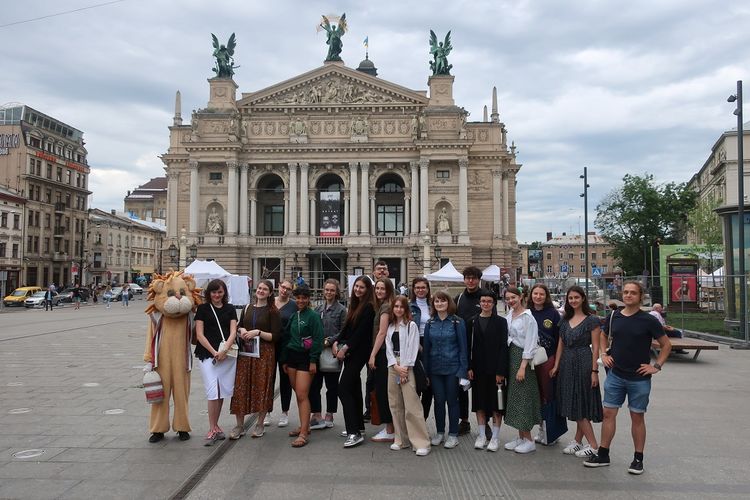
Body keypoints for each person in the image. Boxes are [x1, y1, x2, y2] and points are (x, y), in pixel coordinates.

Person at [585, 281, 671, 474]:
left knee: (637, 416)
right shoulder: (614, 316)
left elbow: (666, 345)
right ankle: (603, 454)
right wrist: (603, 355)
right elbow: (603, 336)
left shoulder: (648, 320)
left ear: (641, 296)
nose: (628, 295)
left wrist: (656, 366)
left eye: (633, 293)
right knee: (608, 414)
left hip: (639, 378)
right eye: (625, 292)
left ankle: (638, 458)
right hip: (615, 374)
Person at [550, 286, 603, 458]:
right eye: (570, 298)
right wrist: (556, 365)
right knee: (575, 400)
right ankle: (578, 441)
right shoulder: (564, 320)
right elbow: (560, 344)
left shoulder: (591, 320)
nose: (573, 300)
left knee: (580, 402)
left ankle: (594, 445)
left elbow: (596, 347)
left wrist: (594, 370)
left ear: (583, 299)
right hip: (567, 362)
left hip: (584, 361)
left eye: (576, 297)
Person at [229, 280, 282, 440]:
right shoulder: (247, 308)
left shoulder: (273, 311)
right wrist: (242, 330)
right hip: (246, 353)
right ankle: (240, 425)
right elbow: (238, 327)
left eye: (265, 289)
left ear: (270, 293)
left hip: (264, 354)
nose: (261, 291)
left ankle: (259, 423)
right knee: (241, 386)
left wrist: (258, 332)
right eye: (259, 288)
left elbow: (276, 336)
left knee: (262, 386)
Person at [386, 295, 431, 456]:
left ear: (406, 309)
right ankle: (401, 439)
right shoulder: (390, 326)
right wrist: (395, 365)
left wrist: (404, 368)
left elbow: (413, 348)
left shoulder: (411, 325)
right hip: (393, 366)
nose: (398, 309)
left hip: (407, 365)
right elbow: (388, 347)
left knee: (412, 405)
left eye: (401, 307)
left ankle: (421, 442)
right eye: (396, 306)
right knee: (396, 405)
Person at [194, 279, 238, 446]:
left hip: (227, 355)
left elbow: (233, 331)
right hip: (208, 355)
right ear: (209, 293)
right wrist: (214, 352)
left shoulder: (230, 308)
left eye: (220, 292)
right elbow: (199, 334)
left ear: (224, 293)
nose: (217, 295)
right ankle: (212, 428)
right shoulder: (203, 309)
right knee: (212, 390)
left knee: (221, 391)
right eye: (213, 292)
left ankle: (216, 426)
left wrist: (224, 350)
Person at [334, 276, 376, 448]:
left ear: (368, 290)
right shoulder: (355, 305)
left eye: (362, 287)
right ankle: (358, 425)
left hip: (359, 352)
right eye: (356, 286)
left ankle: (354, 432)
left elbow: (360, 333)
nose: (358, 289)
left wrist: (345, 348)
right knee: (354, 388)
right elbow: (347, 329)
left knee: (342, 389)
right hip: (352, 352)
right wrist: (335, 341)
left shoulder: (368, 307)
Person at [423, 291, 468, 450]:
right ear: (433, 304)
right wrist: (426, 373)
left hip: (452, 368)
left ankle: (453, 434)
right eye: (436, 301)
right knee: (439, 401)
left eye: (443, 301)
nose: (440, 304)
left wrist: (463, 371)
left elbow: (463, 348)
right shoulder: (430, 323)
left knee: (452, 401)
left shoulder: (457, 322)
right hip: (435, 369)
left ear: (448, 303)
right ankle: (440, 432)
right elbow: (427, 349)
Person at [467, 290, 509, 452]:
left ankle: (496, 437)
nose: (486, 304)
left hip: (495, 369)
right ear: (479, 303)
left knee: (496, 404)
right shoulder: (472, 321)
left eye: (489, 301)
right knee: (480, 403)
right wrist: (469, 367)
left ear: (493, 303)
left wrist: (501, 371)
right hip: (477, 368)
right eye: (483, 301)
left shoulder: (500, 322)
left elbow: (503, 347)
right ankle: (482, 434)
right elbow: (468, 347)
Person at [282, 285, 324, 448]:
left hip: (306, 359)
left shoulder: (313, 316)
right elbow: (287, 337)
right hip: (292, 357)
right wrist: (285, 360)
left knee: (302, 394)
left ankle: (304, 433)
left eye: (304, 298)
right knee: (299, 394)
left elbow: (318, 338)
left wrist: (313, 360)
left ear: (308, 299)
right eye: (298, 298)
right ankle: (304, 425)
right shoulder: (294, 315)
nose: (300, 301)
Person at [503, 286, 541, 454]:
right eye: (508, 298)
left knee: (524, 397)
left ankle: (529, 439)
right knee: (515, 396)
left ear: (521, 297)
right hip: (511, 356)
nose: (511, 301)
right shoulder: (509, 315)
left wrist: (523, 367)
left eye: (513, 297)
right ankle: (520, 435)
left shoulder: (528, 317)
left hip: (522, 359)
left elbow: (531, 343)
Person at [528, 283, 566, 446]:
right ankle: (542, 429)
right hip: (531, 360)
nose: (538, 297)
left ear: (546, 296)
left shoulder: (553, 314)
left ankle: (553, 432)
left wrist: (556, 364)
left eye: (541, 294)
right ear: (531, 295)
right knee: (537, 396)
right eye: (535, 294)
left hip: (548, 360)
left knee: (550, 395)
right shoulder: (527, 312)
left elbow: (560, 341)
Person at [311, 279, 346, 430]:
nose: (329, 293)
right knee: (315, 384)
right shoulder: (318, 309)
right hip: (318, 352)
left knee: (332, 386)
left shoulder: (342, 310)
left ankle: (330, 413)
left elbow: (344, 331)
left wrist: (330, 341)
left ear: (337, 292)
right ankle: (317, 413)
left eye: (332, 290)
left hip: (332, 352)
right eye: (327, 290)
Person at [454, 266, 484, 436]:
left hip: (480, 349)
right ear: (464, 279)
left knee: (481, 387)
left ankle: (484, 422)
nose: (470, 281)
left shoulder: (486, 296)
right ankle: (464, 420)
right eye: (467, 278)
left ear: (479, 279)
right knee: (462, 388)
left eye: (474, 278)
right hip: (462, 348)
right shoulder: (458, 298)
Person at [368, 278, 397, 443]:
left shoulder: (386, 307)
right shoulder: (385, 305)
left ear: (388, 290)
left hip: (382, 353)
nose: (379, 291)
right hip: (384, 353)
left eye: (382, 289)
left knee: (382, 391)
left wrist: (372, 355)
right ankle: (391, 427)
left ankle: (390, 429)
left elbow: (382, 332)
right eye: (377, 288)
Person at [270, 280, 296, 428]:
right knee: (268, 379)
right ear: (278, 287)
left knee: (285, 380)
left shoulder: (293, 305)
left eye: (288, 289)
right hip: (269, 346)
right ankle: (266, 411)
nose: (284, 290)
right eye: (283, 287)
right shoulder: (270, 302)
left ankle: (284, 412)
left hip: (286, 347)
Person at [409, 277, 433, 418]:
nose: (420, 290)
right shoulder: (409, 306)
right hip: (415, 345)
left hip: (432, 344)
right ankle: (415, 421)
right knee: (417, 384)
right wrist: (416, 343)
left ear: (428, 289)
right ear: (413, 289)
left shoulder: (433, 304)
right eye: (417, 287)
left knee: (429, 386)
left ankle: (423, 420)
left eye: (423, 287)